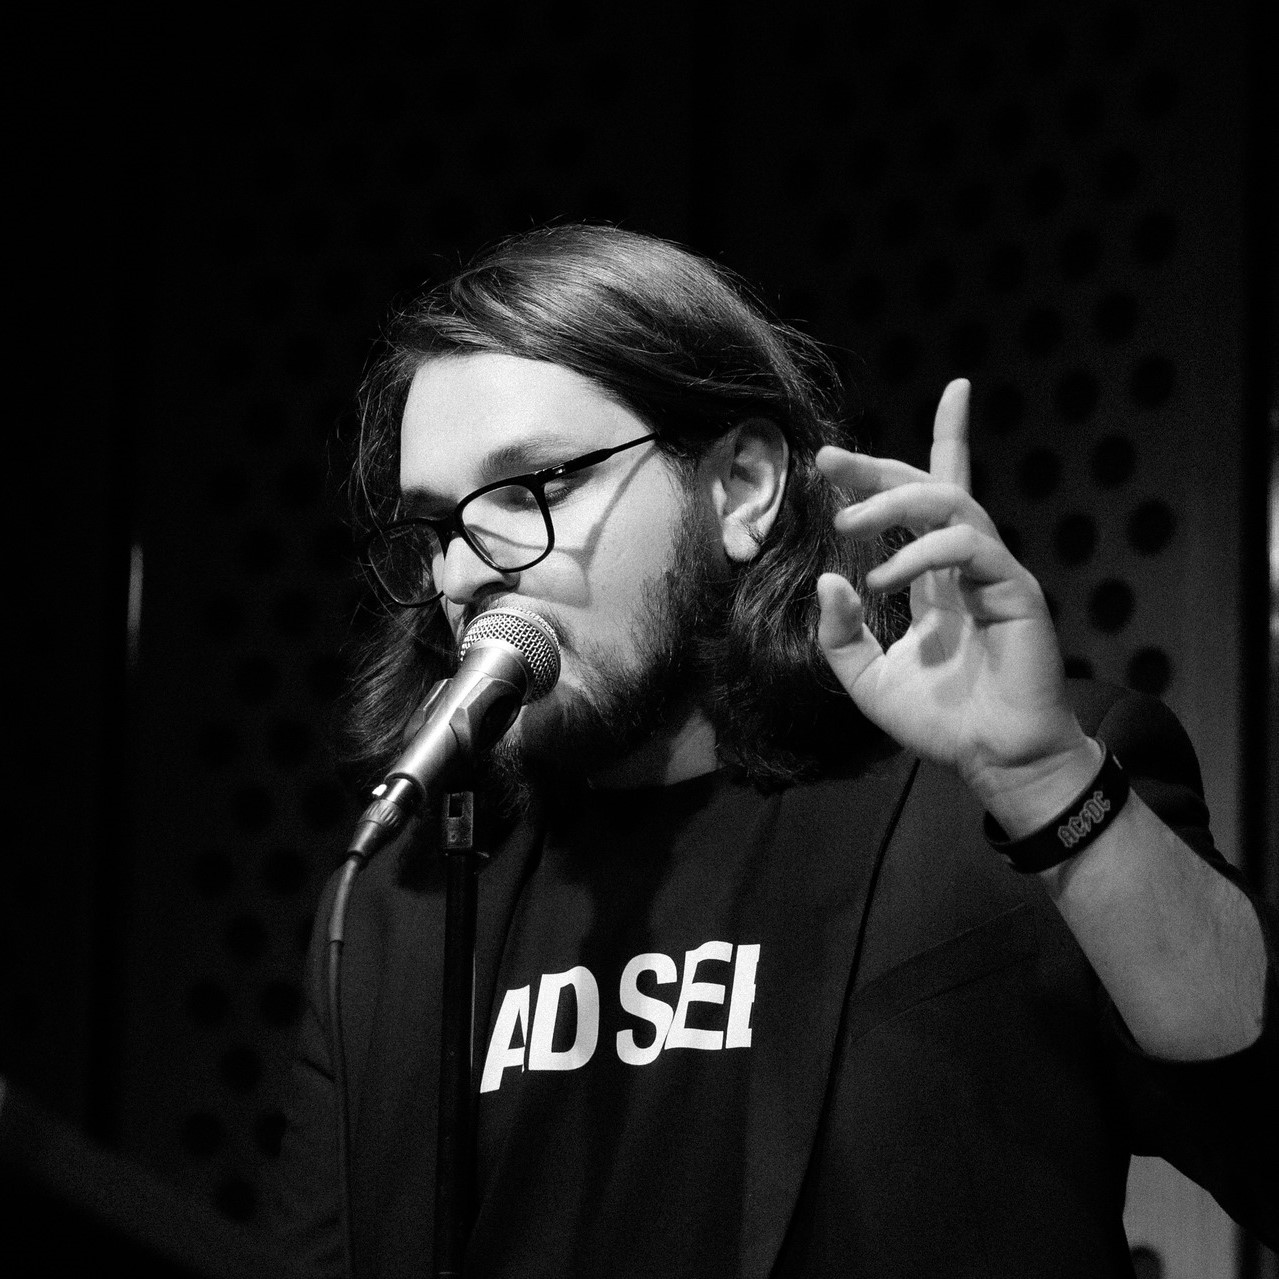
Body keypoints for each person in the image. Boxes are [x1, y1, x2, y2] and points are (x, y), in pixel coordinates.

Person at [261, 224, 1276, 1277]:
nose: (464, 572)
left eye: (533, 487)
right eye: (436, 527)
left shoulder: (997, 808)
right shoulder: (400, 909)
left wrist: (1051, 787)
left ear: (740, 488)